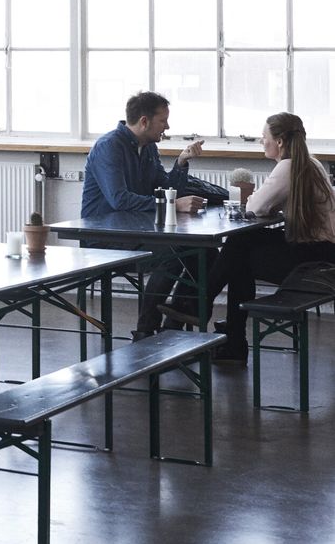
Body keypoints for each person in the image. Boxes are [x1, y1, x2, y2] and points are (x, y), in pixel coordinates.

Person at [161, 113, 335, 362]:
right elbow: (266, 207)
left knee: (239, 253)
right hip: (325, 251)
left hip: (313, 261)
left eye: (264, 138)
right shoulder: (311, 163)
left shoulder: (286, 167)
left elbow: (255, 206)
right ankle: (227, 334)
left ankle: (207, 312)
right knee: (241, 249)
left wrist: (264, 204)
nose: (261, 142)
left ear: (280, 142)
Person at [82, 90, 207, 340]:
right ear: (144, 121)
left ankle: (175, 321)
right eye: (163, 121)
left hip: (137, 231)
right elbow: (119, 199)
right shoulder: (109, 147)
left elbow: (165, 188)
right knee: (170, 255)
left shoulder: (148, 148)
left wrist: (181, 162)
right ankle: (145, 331)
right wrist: (174, 205)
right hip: (105, 237)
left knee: (203, 251)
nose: (167, 126)